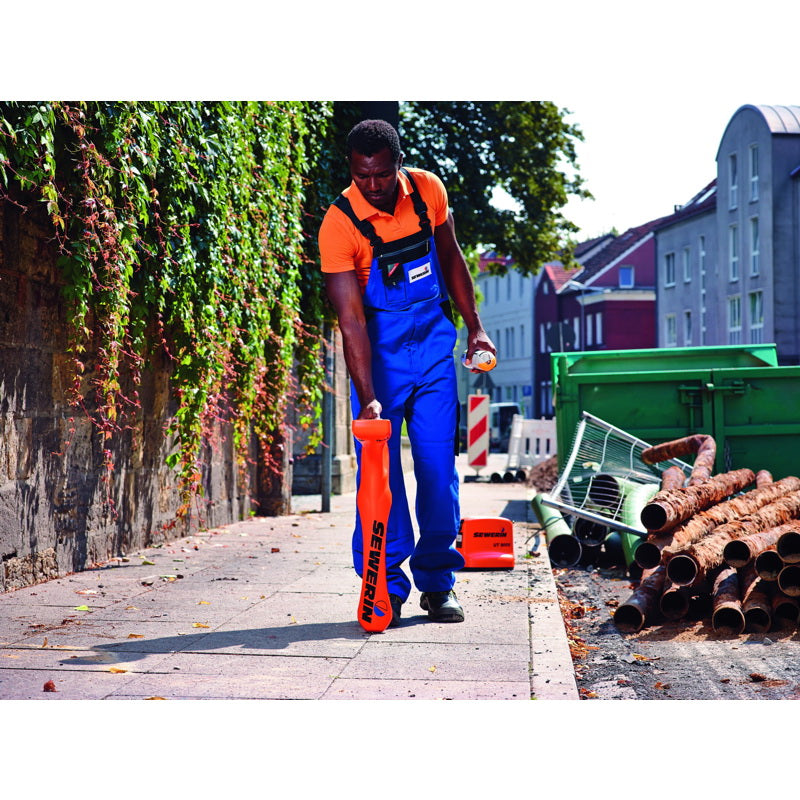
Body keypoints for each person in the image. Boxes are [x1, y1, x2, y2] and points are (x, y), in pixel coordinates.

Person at [318, 119, 495, 626]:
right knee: (382, 476)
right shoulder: (339, 223)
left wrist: (475, 327)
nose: (371, 186)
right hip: (380, 357)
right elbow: (350, 321)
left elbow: (452, 257)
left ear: (398, 163)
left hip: (435, 348)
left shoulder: (427, 191)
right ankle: (384, 586)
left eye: (380, 175)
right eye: (361, 175)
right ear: (352, 169)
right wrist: (368, 395)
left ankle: (439, 585)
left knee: (439, 473)